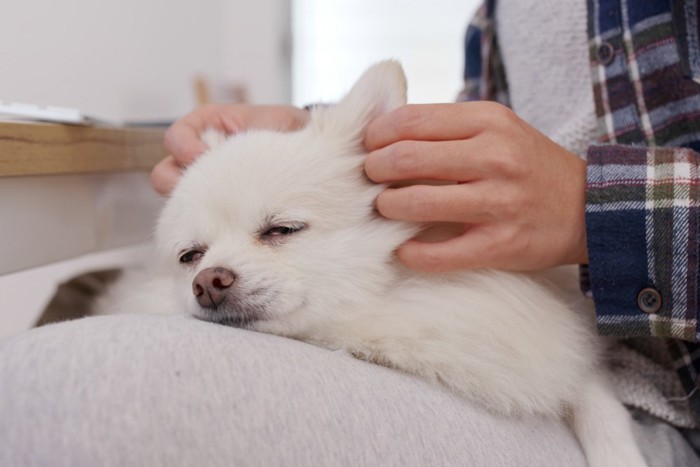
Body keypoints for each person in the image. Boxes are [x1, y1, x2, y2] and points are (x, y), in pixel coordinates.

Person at [1, 0, 699, 465]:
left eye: (279, 229)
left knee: (79, 390)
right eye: (192, 256)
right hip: (578, 365)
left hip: (672, 402)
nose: (210, 277)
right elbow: (486, 152)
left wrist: (596, 207)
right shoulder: (496, 15)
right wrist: (304, 142)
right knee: (77, 301)